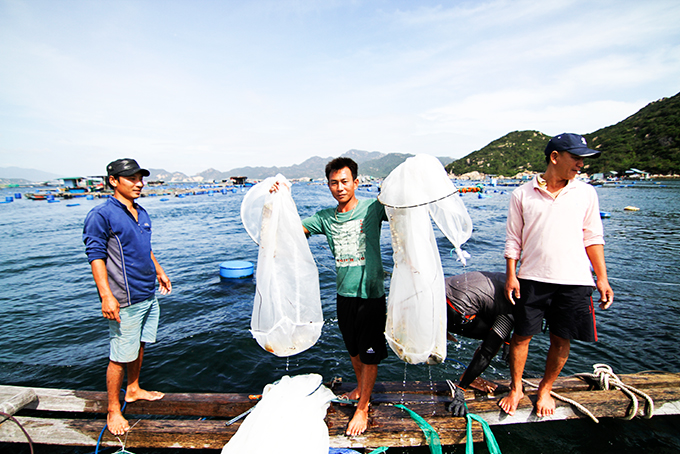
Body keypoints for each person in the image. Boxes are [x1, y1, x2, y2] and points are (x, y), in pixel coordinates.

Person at [498, 133, 614, 417]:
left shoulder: (586, 193)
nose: (580, 165)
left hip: (575, 281)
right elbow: (514, 239)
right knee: (521, 336)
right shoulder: (522, 194)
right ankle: (516, 388)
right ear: (554, 157)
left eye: (582, 160)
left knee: (562, 339)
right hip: (532, 278)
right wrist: (512, 275)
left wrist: (602, 278)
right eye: (576, 158)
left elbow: (593, 237)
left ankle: (545, 388)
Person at [287, 157, 388, 436]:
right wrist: (278, 199)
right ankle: (359, 388)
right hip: (344, 295)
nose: (340, 187)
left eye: (345, 181)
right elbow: (291, 230)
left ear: (356, 182)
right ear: (328, 185)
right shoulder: (325, 218)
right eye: (334, 183)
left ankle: (363, 407)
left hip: (370, 295)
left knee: (369, 354)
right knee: (354, 350)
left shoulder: (373, 208)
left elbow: (403, 211)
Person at [83, 158, 172, 435]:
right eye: (132, 178)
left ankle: (133, 389)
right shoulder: (102, 214)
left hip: (147, 291)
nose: (139, 183)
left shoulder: (141, 212)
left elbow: (145, 246)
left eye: (140, 178)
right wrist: (106, 296)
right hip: (124, 297)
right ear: (113, 181)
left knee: (140, 345)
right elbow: (95, 256)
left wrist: (159, 270)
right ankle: (113, 408)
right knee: (120, 355)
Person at [445, 271, 514, 417]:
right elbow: (487, 353)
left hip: (437, 296)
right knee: (493, 340)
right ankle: (468, 380)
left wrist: (508, 341)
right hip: (454, 310)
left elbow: (498, 309)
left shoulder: (508, 280)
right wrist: (460, 391)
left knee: (497, 329)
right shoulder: (514, 306)